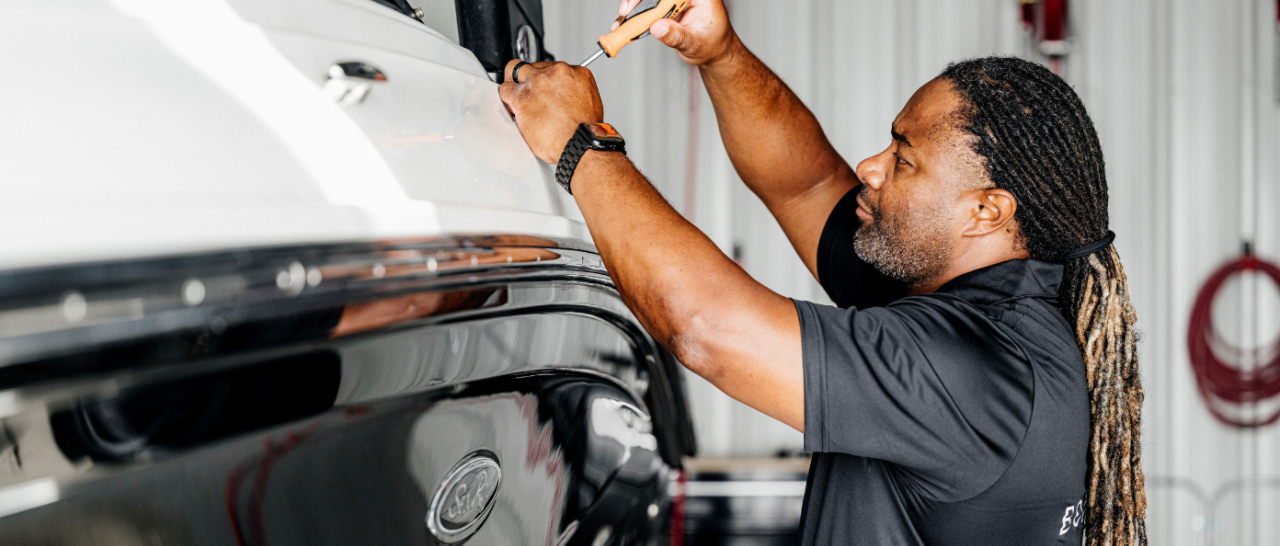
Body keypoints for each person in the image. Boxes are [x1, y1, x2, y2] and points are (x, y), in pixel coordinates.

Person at [497, 0, 1146, 543]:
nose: (871, 165)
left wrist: (581, 143)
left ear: (985, 210)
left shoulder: (969, 371)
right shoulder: (975, 290)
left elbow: (705, 327)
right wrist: (719, 54)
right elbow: (805, 183)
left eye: (905, 159)